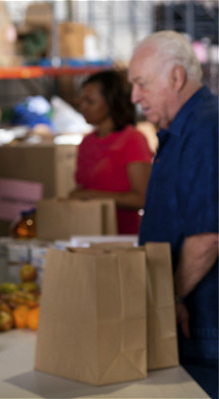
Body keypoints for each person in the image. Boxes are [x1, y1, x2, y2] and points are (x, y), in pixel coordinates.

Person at [129, 30, 218, 398]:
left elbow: (208, 237)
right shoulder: (182, 129)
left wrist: (172, 299)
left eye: (141, 83)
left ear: (176, 77)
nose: (135, 97)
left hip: (204, 325)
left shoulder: (206, 130)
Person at [70, 69, 153, 234]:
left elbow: (143, 199)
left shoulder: (133, 140)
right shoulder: (86, 142)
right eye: (81, 101)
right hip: (89, 232)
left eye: (90, 101)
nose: (83, 107)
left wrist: (91, 196)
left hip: (124, 237)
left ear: (111, 102)